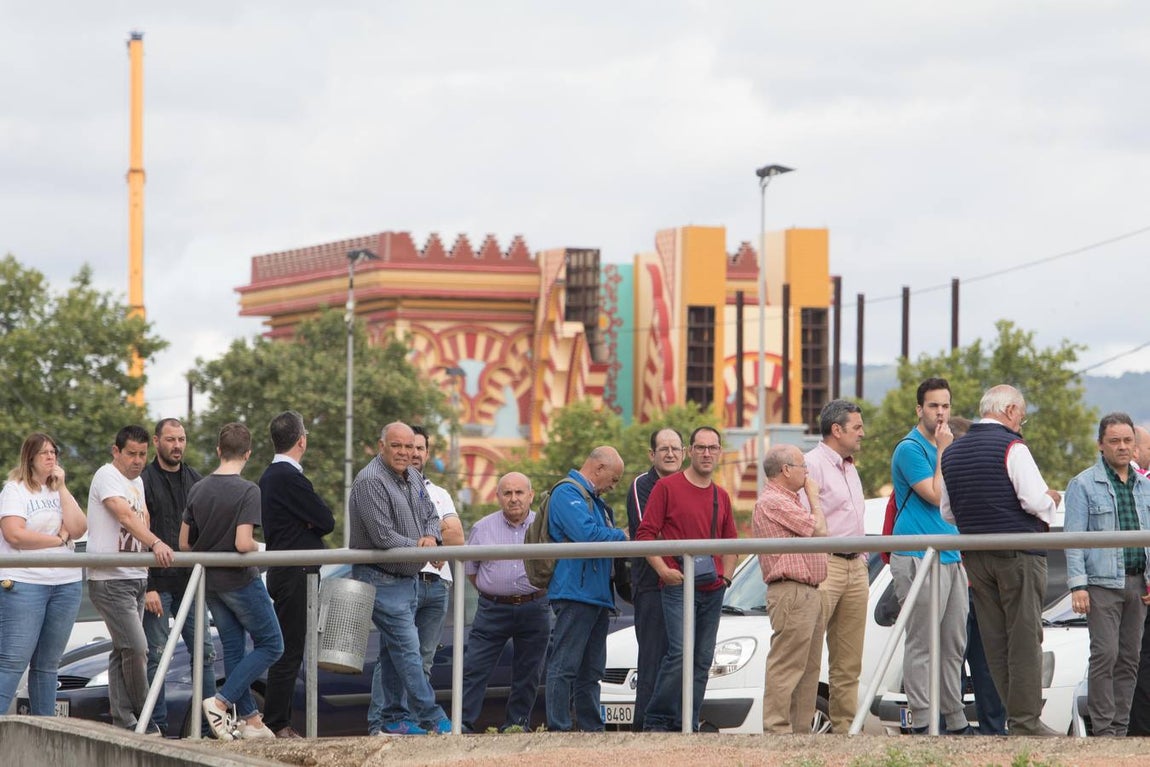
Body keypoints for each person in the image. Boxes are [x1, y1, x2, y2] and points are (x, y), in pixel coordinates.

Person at [940, 384, 1061, 737]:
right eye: (1021, 414)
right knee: (1024, 639)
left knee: (995, 642)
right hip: (1019, 554)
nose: (1022, 421)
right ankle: (1025, 722)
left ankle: (1016, 719)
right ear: (1009, 410)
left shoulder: (952, 452)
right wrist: (1051, 497)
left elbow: (948, 512)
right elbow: (1034, 502)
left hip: (976, 556)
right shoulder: (1013, 446)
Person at [181, 422, 283, 741]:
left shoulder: (198, 488)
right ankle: (221, 702)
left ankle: (251, 720)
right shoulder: (248, 490)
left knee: (235, 649)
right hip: (240, 581)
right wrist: (262, 547)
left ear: (218, 451)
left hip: (210, 582)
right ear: (248, 454)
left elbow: (184, 543)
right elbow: (243, 542)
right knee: (272, 644)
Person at [348, 422, 451, 736]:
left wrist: (432, 540)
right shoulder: (370, 480)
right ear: (382, 446)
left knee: (394, 653)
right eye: (397, 446)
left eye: (410, 446)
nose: (405, 453)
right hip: (379, 578)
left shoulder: (415, 475)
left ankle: (393, 719)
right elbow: (382, 536)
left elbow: (432, 516)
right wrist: (420, 549)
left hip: (408, 580)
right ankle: (434, 718)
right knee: (409, 650)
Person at [636, 426, 737, 732]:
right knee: (679, 654)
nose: (707, 453)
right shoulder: (666, 488)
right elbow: (644, 535)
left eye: (713, 448)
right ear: (689, 452)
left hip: (712, 588)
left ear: (719, 453)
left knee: (703, 659)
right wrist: (664, 571)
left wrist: (727, 578)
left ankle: (688, 722)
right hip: (679, 586)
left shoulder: (722, 495)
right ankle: (658, 719)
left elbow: (732, 541)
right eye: (701, 448)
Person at [889, 378, 972, 735]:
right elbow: (936, 495)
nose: (941, 413)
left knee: (954, 643)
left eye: (946, 406)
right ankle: (922, 721)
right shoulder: (910, 448)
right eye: (934, 406)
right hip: (916, 554)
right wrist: (942, 451)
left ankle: (954, 720)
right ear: (919, 409)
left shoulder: (949, 446)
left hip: (951, 555)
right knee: (923, 641)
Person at [1065, 412, 1150, 737]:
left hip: (1137, 583)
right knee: (1105, 655)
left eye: (1128, 440)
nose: (1122, 447)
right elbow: (1072, 539)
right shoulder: (1083, 484)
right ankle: (1103, 733)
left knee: (1130, 658)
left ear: (1135, 445)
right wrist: (1078, 585)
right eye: (1114, 441)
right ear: (1101, 445)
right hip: (1101, 584)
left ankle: (1120, 728)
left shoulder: (1145, 487)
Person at [87, 425, 174, 733]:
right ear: (116, 451)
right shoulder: (106, 476)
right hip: (111, 580)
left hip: (135, 577)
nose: (137, 461)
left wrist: (147, 572)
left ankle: (123, 720)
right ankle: (146, 717)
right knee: (138, 648)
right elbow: (124, 515)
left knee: (122, 650)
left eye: (142, 454)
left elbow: (143, 517)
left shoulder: (137, 481)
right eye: (131, 454)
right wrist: (156, 543)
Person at [258, 411, 336, 739]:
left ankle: (278, 720)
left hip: (286, 571)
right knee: (289, 650)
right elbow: (326, 521)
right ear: (301, 440)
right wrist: (309, 523)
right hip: (295, 573)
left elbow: (316, 521)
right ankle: (277, 722)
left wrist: (309, 522)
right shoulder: (289, 477)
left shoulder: (270, 476)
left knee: (288, 647)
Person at [0, 433, 87, 715]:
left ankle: (45, 730)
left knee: (48, 666)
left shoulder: (57, 490)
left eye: (54, 452)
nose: (51, 457)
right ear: (30, 458)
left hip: (65, 583)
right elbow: (15, 535)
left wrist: (62, 489)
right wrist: (58, 540)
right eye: (44, 453)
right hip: (25, 583)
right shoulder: (15, 490)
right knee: (13, 662)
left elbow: (79, 528)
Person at [140, 417, 217, 736]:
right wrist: (149, 586)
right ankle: (156, 728)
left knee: (206, 655)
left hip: (191, 584)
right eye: (171, 439)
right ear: (156, 442)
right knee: (156, 657)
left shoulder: (197, 481)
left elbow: (205, 530)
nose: (177, 445)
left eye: (182, 439)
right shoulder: (142, 481)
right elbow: (138, 536)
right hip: (158, 585)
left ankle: (211, 726)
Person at [544, 446, 627, 732]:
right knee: (565, 665)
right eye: (614, 479)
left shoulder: (592, 500)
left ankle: (591, 728)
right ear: (599, 468)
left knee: (591, 670)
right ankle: (559, 728)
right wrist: (623, 535)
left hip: (595, 594)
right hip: (575, 593)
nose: (613, 487)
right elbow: (588, 535)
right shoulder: (567, 493)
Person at [460, 472, 550, 732]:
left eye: (519, 493)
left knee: (529, 672)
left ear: (531, 495)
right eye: (507, 493)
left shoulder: (544, 527)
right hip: (492, 609)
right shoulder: (482, 528)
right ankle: (462, 724)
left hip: (535, 606)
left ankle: (516, 725)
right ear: (498, 497)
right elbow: (472, 570)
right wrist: (495, 591)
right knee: (475, 668)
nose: (514, 499)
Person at [754, 444, 828, 734]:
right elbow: (819, 530)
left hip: (807, 591)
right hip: (791, 591)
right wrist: (814, 498)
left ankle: (799, 734)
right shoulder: (774, 501)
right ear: (786, 470)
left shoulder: (789, 501)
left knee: (808, 670)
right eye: (803, 467)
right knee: (787, 666)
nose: (807, 473)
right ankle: (777, 731)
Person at [804, 399, 867, 733]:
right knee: (810, 653)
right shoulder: (810, 465)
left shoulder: (850, 466)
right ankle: (799, 731)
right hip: (825, 564)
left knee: (848, 660)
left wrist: (863, 560)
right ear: (836, 430)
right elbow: (803, 520)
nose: (862, 433)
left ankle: (844, 731)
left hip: (856, 566)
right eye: (857, 427)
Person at [624, 427, 684, 731]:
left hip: (688, 586)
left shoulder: (693, 484)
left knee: (683, 660)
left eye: (675, 448)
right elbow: (651, 529)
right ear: (652, 455)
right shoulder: (641, 485)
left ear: (684, 453)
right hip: (653, 586)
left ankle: (679, 727)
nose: (670, 454)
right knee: (653, 660)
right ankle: (645, 730)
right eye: (664, 449)